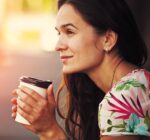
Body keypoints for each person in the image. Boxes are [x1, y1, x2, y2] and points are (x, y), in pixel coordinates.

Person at [11, 0, 150, 139]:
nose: (57, 45)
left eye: (69, 31)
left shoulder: (122, 99)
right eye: (59, 33)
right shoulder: (140, 82)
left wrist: (49, 131)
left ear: (108, 39)